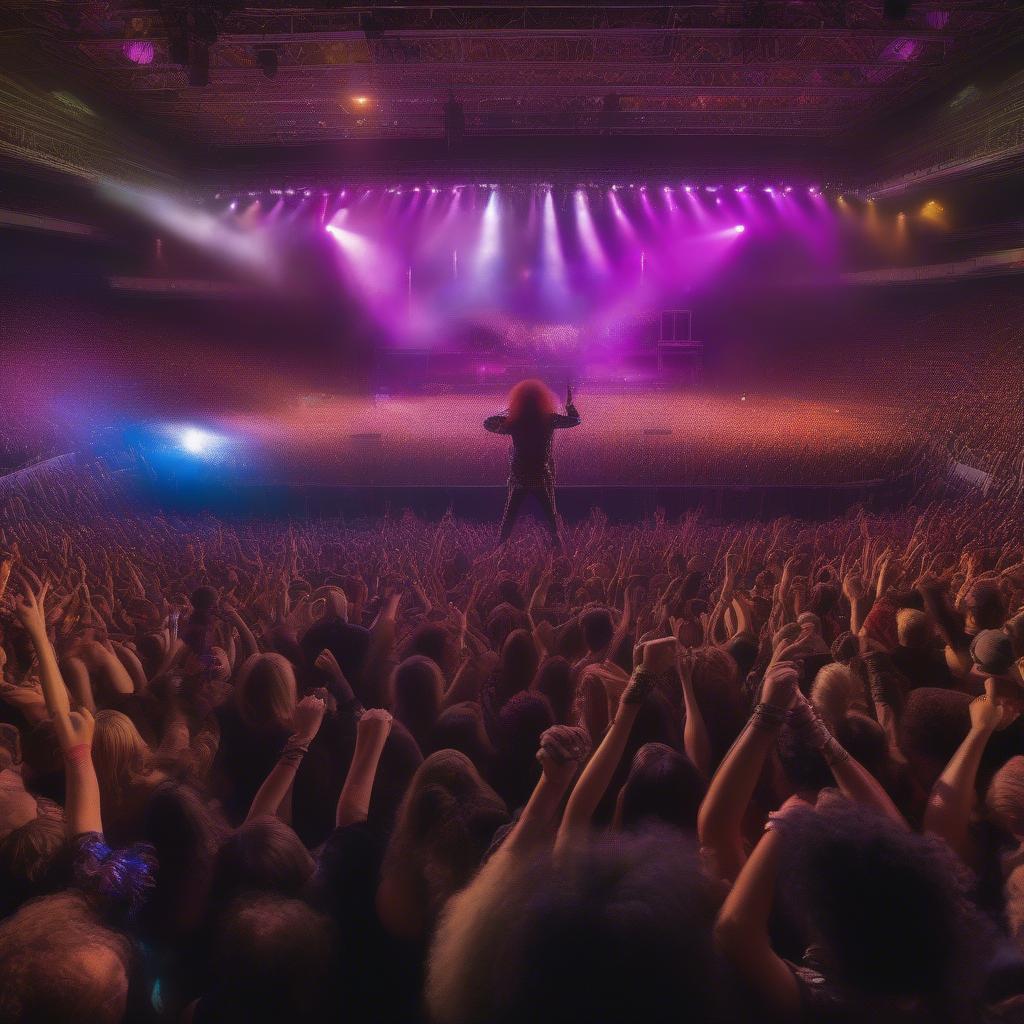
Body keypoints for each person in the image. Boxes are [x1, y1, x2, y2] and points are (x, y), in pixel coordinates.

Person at [484, 379, 580, 545]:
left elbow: (488, 423)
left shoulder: (516, 420)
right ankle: (557, 549)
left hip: (521, 476)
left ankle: (499, 548)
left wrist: (509, 412)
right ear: (542, 399)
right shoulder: (548, 419)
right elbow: (575, 420)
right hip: (539, 476)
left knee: (510, 517)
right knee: (551, 519)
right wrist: (569, 405)